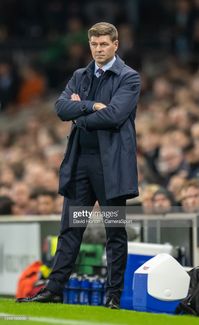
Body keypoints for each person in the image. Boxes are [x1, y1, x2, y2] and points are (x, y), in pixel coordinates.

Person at [16, 22, 141, 309]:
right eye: (94, 45)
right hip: (80, 165)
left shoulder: (129, 77)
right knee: (71, 229)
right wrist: (91, 106)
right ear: (90, 46)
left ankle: (113, 296)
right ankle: (54, 289)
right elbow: (61, 108)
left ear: (115, 45)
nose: (98, 49)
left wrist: (80, 110)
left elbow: (114, 117)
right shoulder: (80, 75)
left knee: (114, 233)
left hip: (112, 168)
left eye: (104, 44)